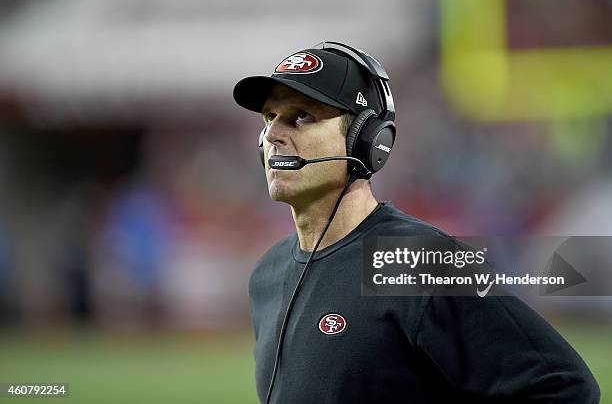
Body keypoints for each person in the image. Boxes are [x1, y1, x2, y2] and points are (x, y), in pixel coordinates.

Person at [232, 41, 600, 404]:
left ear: (367, 139)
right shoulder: (268, 272)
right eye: (269, 117)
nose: (273, 135)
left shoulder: (418, 260)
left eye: (302, 116)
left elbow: (562, 386)